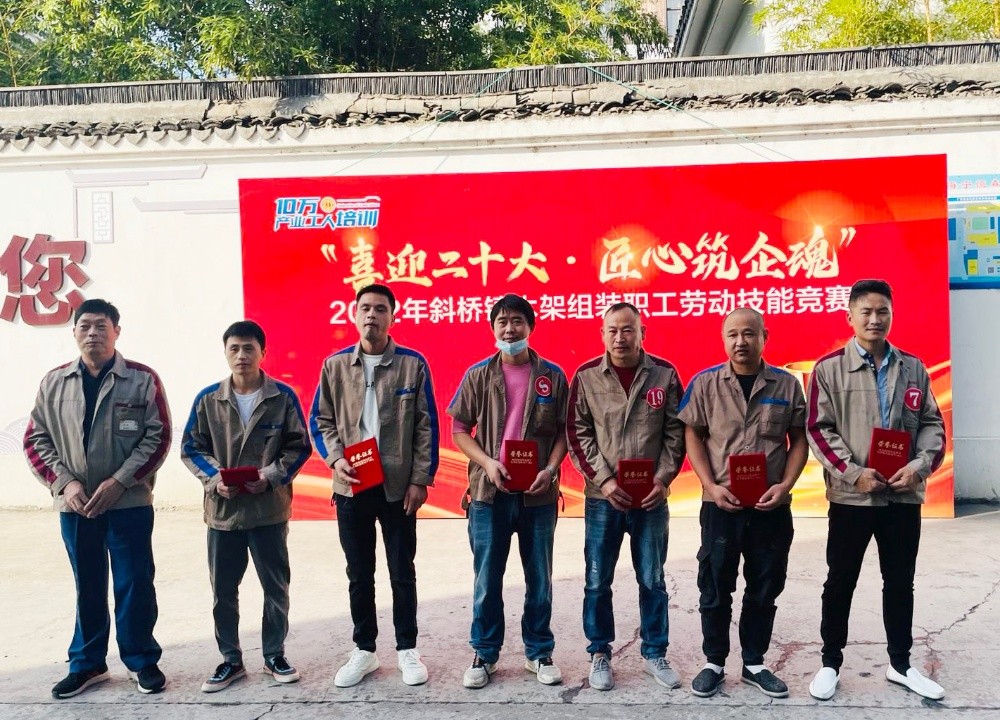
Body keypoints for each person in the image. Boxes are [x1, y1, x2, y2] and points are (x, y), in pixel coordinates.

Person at [806, 279, 946, 701]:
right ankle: (830, 663)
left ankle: (901, 664)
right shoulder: (829, 368)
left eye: (882, 311)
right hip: (853, 497)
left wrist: (918, 468)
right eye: (865, 311)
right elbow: (818, 428)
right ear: (849, 316)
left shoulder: (913, 368)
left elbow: (932, 424)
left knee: (900, 582)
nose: (874, 319)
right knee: (840, 580)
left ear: (891, 315)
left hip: (901, 496)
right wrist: (853, 473)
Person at [23, 299, 171, 698]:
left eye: (101, 326)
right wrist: (66, 484)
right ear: (73, 332)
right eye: (85, 325)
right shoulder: (54, 382)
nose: (93, 333)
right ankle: (88, 664)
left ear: (117, 331)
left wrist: (120, 482)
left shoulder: (142, 379)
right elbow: (36, 441)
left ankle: (142, 660)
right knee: (87, 585)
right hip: (76, 506)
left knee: (134, 582)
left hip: (128, 504)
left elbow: (158, 437)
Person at [310, 283, 439, 688]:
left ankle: (407, 649)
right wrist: (336, 459)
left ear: (392, 316)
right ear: (354, 314)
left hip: (398, 487)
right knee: (359, 573)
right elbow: (320, 420)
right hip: (351, 485)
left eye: (380, 309)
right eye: (365, 307)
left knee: (402, 570)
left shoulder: (412, 365)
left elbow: (426, 426)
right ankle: (364, 649)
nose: (372, 315)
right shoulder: (334, 366)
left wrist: (420, 479)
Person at [678, 308, 808, 698]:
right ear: (723, 339)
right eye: (733, 334)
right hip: (721, 505)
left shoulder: (787, 385)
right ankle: (714, 662)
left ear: (764, 336)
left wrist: (785, 485)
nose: (741, 342)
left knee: (765, 584)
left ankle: (754, 663)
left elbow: (799, 440)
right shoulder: (705, 384)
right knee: (715, 584)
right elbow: (692, 436)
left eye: (749, 333)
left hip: (771, 506)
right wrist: (710, 485)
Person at [181, 320, 311, 692]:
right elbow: (191, 448)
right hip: (223, 514)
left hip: (268, 510)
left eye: (249, 348)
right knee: (223, 591)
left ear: (262, 352)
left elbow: (299, 446)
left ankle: (274, 655)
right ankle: (230, 660)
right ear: (225, 353)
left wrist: (270, 476)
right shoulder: (208, 400)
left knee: (275, 587)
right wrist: (214, 478)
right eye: (234, 348)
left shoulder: (282, 397)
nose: (241, 355)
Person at [448, 294, 569, 689]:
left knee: (539, 578)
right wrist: (487, 463)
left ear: (530, 326)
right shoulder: (478, 375)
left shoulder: (552, 376)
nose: (510, 329)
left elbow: (564, 433)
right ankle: (485, 653)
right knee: (487, 578)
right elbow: (459, 429)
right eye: (502, 321)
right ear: (493, 328)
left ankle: (539, 651)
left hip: (538, 495)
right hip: (489, 494)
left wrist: (550, 470)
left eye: (517, 321)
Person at [566, 302, 685, 692]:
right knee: (597, 580)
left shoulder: (664, 374)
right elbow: (578, 433)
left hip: (651, 499)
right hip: (604, 499)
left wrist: (663, 479)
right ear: (602, 334)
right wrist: (604, 481)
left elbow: (676, 433)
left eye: (628, 329)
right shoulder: (586, 376)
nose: (620, 337)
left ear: (642, 333)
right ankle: (600, 652)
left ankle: (655, 652)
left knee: (652, 579)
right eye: (613, 330)